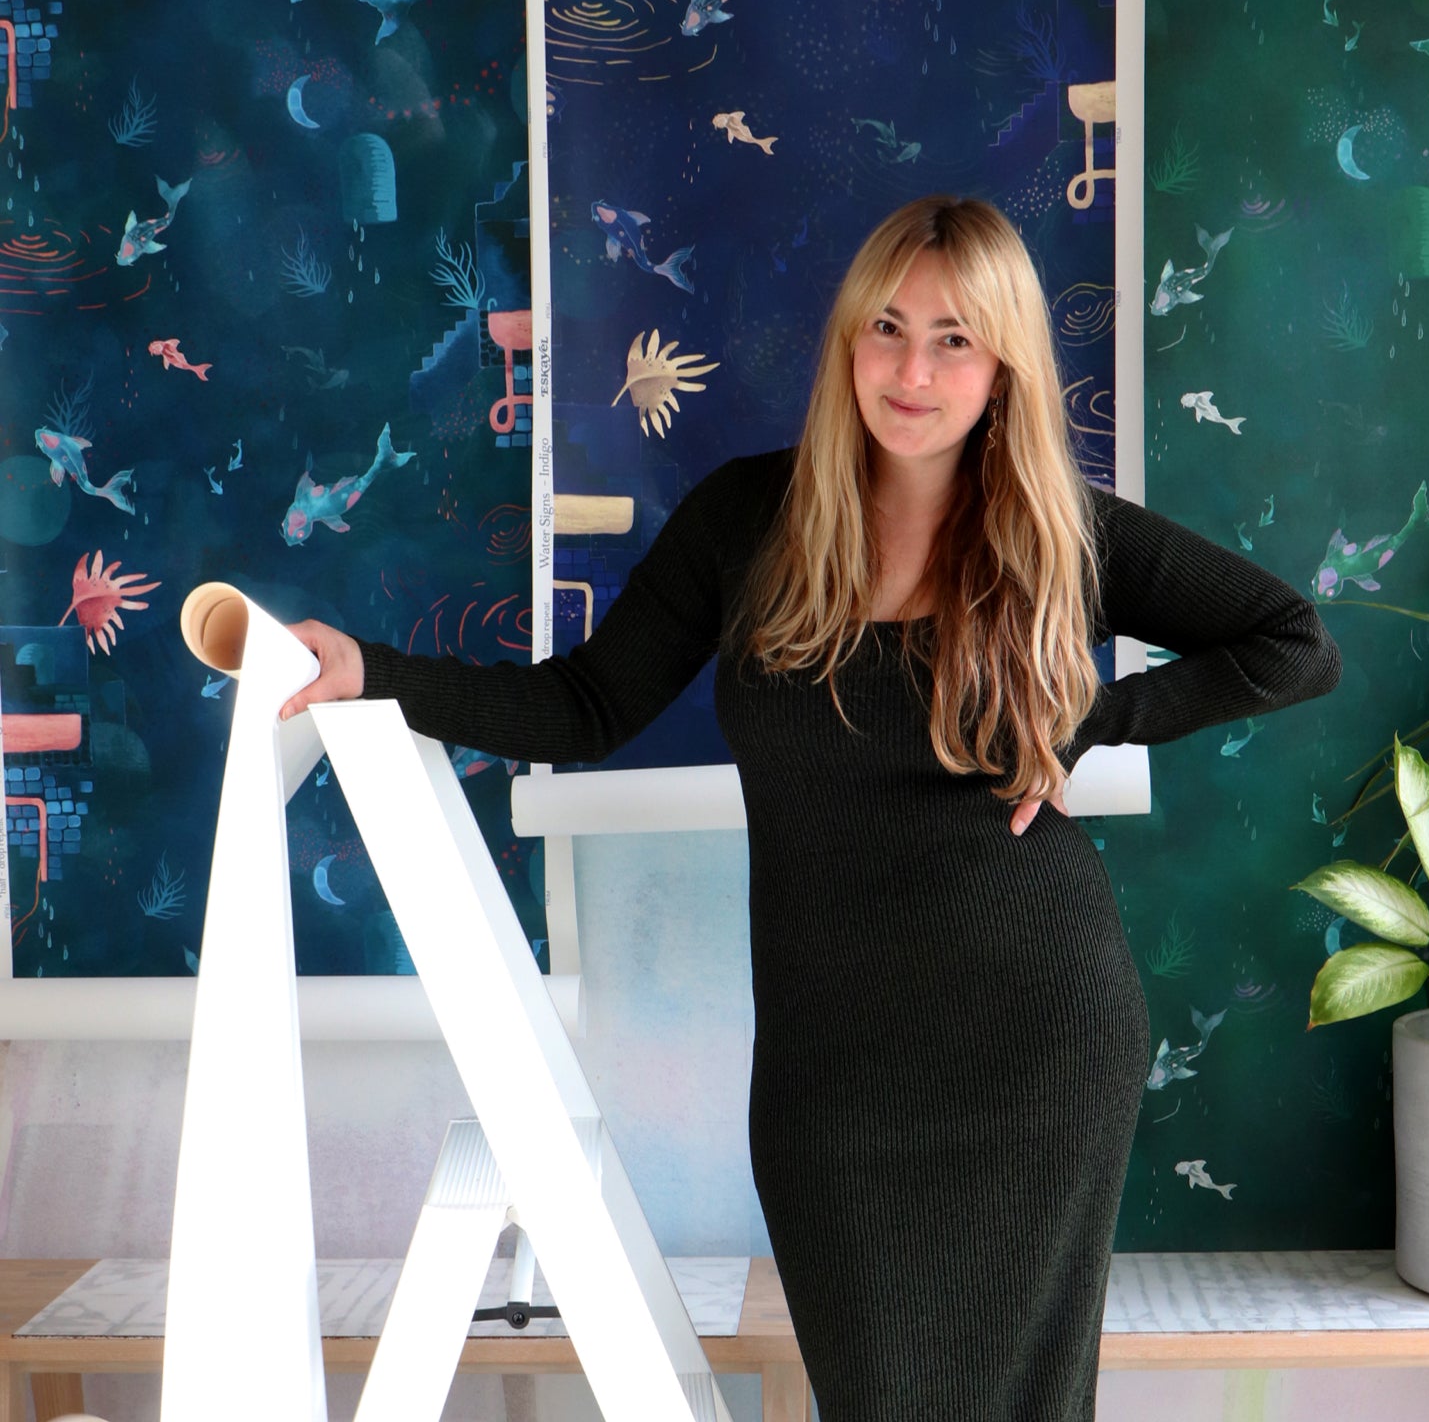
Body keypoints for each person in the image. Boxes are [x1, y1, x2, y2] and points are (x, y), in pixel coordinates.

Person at [282, 196, 1341, 1420]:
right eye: (886, 328)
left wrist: (1093, 721)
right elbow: (586, 707)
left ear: (1002, 366)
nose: (911, 368)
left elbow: (1295, 642)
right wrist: (377, 672)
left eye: (954, 338)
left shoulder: (1059, 533)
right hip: (832, 1073)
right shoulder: (749, 519)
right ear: (847, 340)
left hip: (1034, 1045)